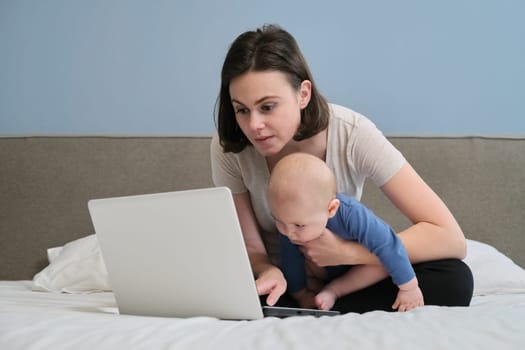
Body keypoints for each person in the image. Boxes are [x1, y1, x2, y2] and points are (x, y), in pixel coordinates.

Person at [210, 24, 473, 313]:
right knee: (227, 287)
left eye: (268, 107)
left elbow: (450, 238)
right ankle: (304, 307)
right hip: (283, 281)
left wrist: (344, 253)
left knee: (454, 279)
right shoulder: (230, 146)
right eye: (242, 110)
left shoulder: (353, 134)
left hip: (347, 274)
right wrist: (266, 271)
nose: (254, 125)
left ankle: (318, 307)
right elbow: (250, 245)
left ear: (303, 94)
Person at [268, 152, 424, 312]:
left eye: (299, 225)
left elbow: (388, 243)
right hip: (318, 270)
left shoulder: (352, 215)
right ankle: (322, 292)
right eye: (278, 220)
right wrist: (300, 293)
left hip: (356, 269)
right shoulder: (289, 222)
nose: (288, 232)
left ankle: (334, 291)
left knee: (382, 263)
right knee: (296, 271)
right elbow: (289, 260)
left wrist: (409, 287)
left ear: (331, 209)